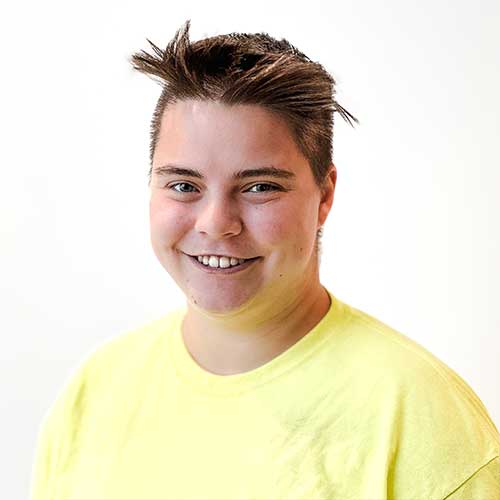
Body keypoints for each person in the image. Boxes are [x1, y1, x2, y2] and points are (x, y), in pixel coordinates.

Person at [30, 19, 500, 500]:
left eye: (259, 187)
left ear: (324, 195)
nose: (216, 223)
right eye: (184, 186)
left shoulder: (422, 420)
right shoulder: (95, 392)